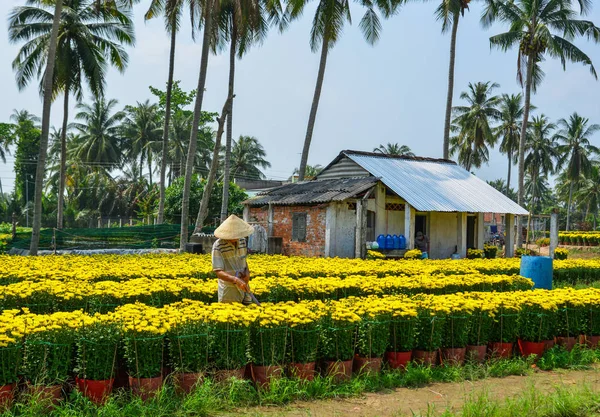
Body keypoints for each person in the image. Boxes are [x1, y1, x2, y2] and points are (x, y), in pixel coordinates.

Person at [211, 214, 255, 304]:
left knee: (247, 313)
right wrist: (235, 280)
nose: (236, 237)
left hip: (244, 286)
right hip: (228, 290)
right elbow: (218, 271)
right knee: (229, 315)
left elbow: (244, 261)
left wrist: (247, 274)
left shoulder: (242, 241)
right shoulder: (218, 246)